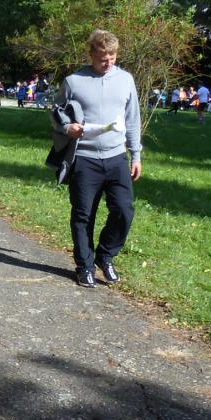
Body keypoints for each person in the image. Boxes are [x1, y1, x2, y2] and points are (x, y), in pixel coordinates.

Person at [53, 29, 143, 287]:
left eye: (113, 56)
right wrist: (67, 128)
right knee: (83, 215)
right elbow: (56, 112)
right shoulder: (74, 81)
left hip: (116, 157)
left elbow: (132, 119)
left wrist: (136, 154)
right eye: (103, 57)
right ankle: (84, 266)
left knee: (124, 210)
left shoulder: (125, 80)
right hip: (84, 158)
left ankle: (106, 255)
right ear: (91, 54)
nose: (108, 62)